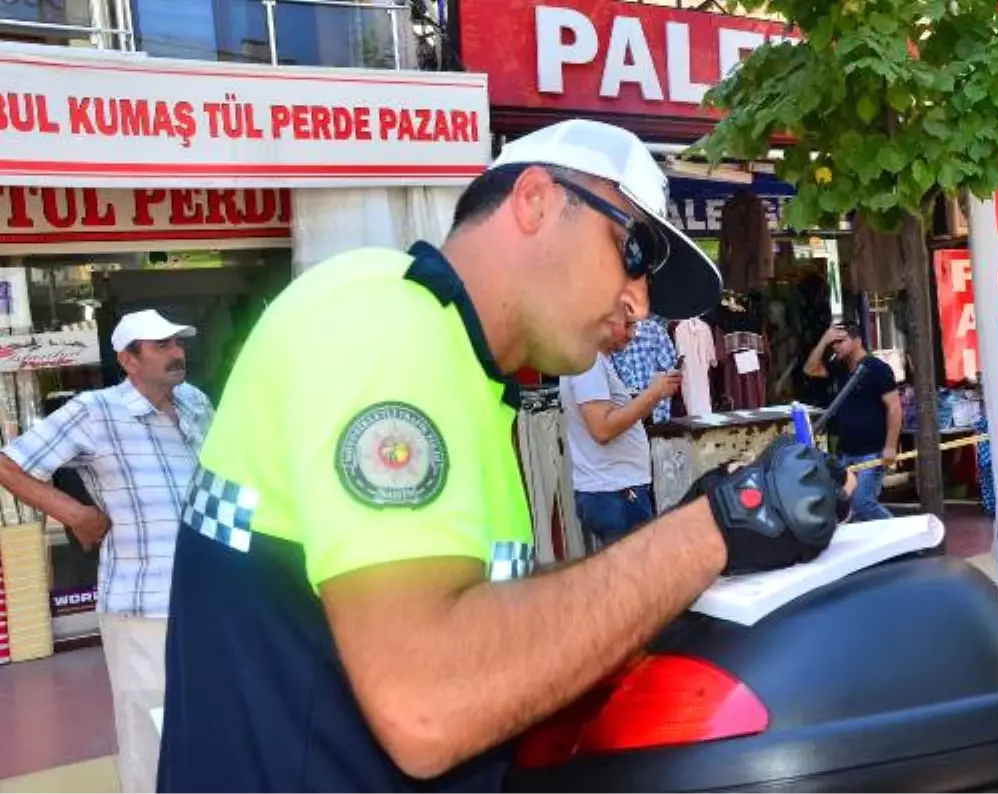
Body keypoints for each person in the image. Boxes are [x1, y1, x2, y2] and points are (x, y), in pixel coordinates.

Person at [156, 119, 856, 793]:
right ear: (534, 201)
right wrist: (715, 530)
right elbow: (428, 704)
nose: (638, 305)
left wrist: (695, 538)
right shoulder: (385, 322)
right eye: (635, 254)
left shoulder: (461, 367)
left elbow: (490, 627)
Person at [0, 310, 213, 794]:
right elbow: (10, 466)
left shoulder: (196, 403)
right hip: (143, 603)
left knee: (210, 713)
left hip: (210, 596)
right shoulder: (95, 411)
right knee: (150, 724)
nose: (176, 353)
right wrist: (75, 514)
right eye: (160, 345)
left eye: (177, 342)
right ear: (127, 359)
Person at [561, 317, 681, 548]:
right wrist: (653, 394)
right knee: (633, 576)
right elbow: (602, 429)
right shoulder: (589, 363)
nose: (633, 334)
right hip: (614, 493)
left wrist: (651, 395)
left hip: (617, 491)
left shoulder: (595, 361)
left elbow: (614, 420)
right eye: (627, 326)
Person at [804, 323, 900, 522]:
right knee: (844, 504)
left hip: (872, 451)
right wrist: (824, 339)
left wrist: (890, 447)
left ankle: (905, 539)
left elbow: (895, 407)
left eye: (841, 341)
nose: (835, 346)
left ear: (857, 341)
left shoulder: (877, 369)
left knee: (862, 502)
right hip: (846, 452)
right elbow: (811, 369)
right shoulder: (838, 368)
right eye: (834, 343)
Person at [610, 315, 678, 424]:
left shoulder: (654, 332)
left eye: (631, 325)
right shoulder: (603, 343)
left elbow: (670, 372)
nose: (630, 335)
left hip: (657, 421)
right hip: (621, 424)